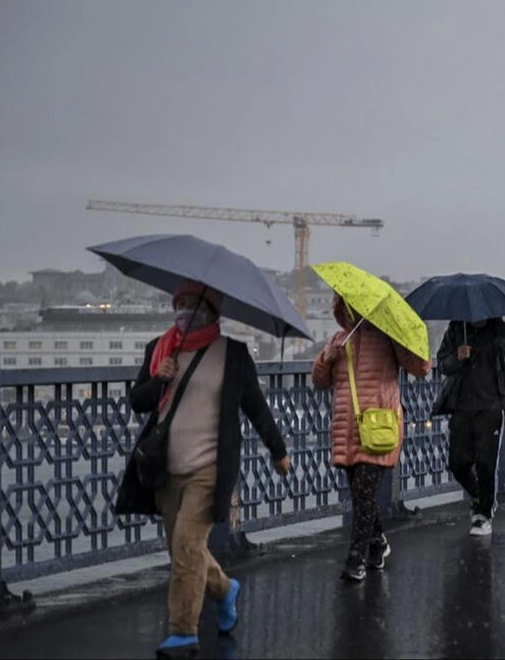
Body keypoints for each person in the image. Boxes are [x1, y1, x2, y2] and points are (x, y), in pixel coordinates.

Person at [115, 281, 292, 659]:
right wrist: (159, 376)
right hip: (166, 469)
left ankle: (183, 632)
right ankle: (225, 588)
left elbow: (255, 407)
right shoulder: (160, 350)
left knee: (186, 546)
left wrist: (278, 450)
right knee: (181, 550)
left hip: (209, 469)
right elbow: (137, 402)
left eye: (194, 304)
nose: (185, 311)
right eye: (181, 304)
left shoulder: (233, 354)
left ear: (212, 311)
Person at [313, 294, 431, 581]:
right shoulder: (337, 341)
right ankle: (377, 543)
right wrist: (326, 360)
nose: (354, 312)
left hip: (378, 427)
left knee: (364, 492)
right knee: (360, 495)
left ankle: (356, 559)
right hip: (346, 428)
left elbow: (420, 368)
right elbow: (319, 381)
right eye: (349, 307)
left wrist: (409, 346)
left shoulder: (387, 339)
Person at [433, 317, 505, 536]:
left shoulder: (503, 333)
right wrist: (458, 358)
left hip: (492, 407)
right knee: (457, 463)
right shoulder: (457, 329)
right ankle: (481, 497)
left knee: (485, 464)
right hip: (462, 406)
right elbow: (442, 363)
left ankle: (483, 516)